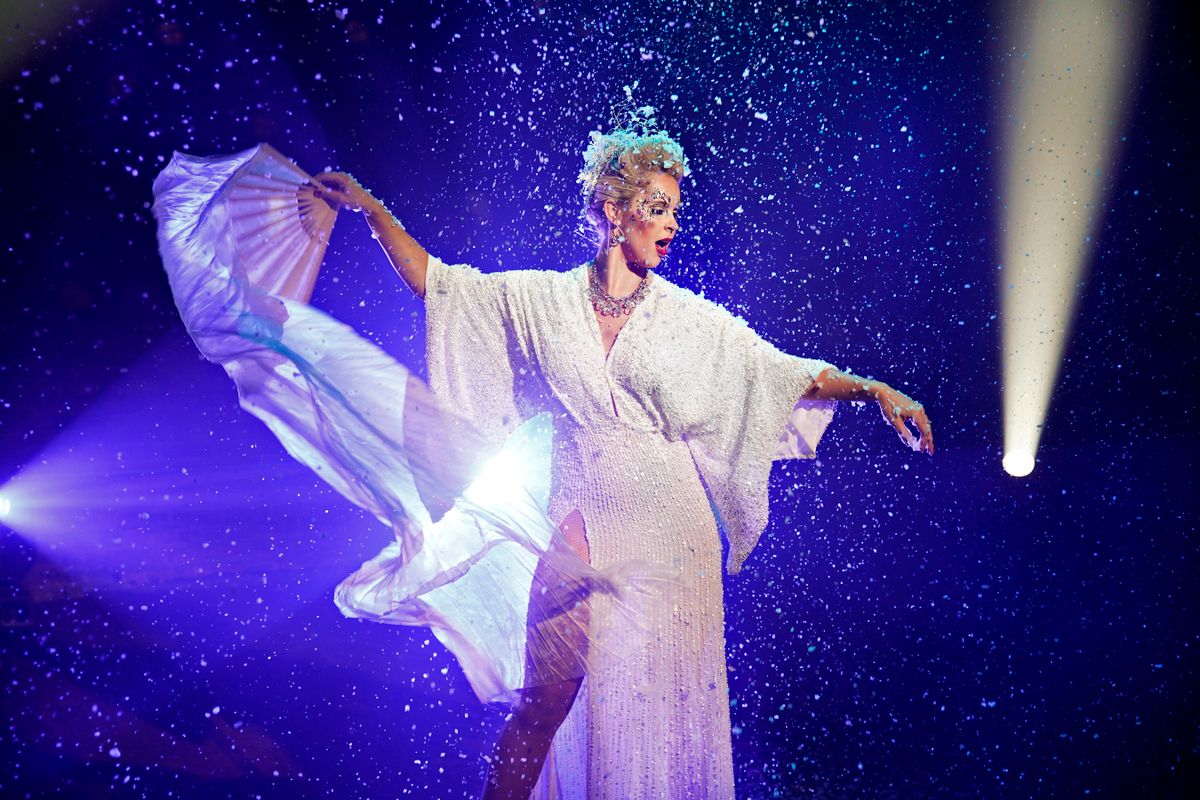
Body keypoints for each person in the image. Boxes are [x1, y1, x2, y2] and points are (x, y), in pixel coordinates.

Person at [304, 108, 934, 800]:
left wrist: (875, 389)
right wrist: (372, 211)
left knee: (658, 713)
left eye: (675, 211)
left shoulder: (692, 320)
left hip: (672, 536)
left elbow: (780, 374)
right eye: (656, 208)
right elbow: (444, 288)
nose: (671, 224)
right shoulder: (543, 301)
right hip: (578, 514)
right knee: (543, 704)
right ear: (614, 210)